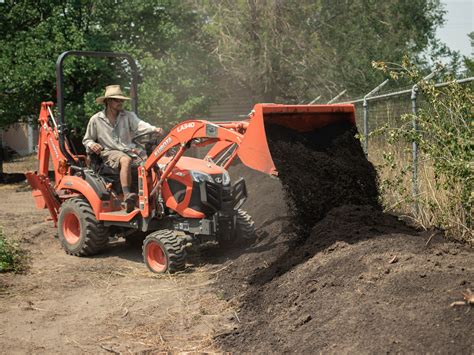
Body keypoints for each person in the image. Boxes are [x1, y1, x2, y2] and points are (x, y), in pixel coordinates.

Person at [83, 85, 164, 211]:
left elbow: (140, 125)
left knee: (150, 163)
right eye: (117, 100)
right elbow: (87, 139)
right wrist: (92, 145)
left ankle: (153, 198)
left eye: (122, 100)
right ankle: (127, 196)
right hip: (108, 152)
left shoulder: (128, 116)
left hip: (129, 149)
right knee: (125, 160)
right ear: (108, 101)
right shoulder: (96, 119)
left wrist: (154, 129)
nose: (120, 102)